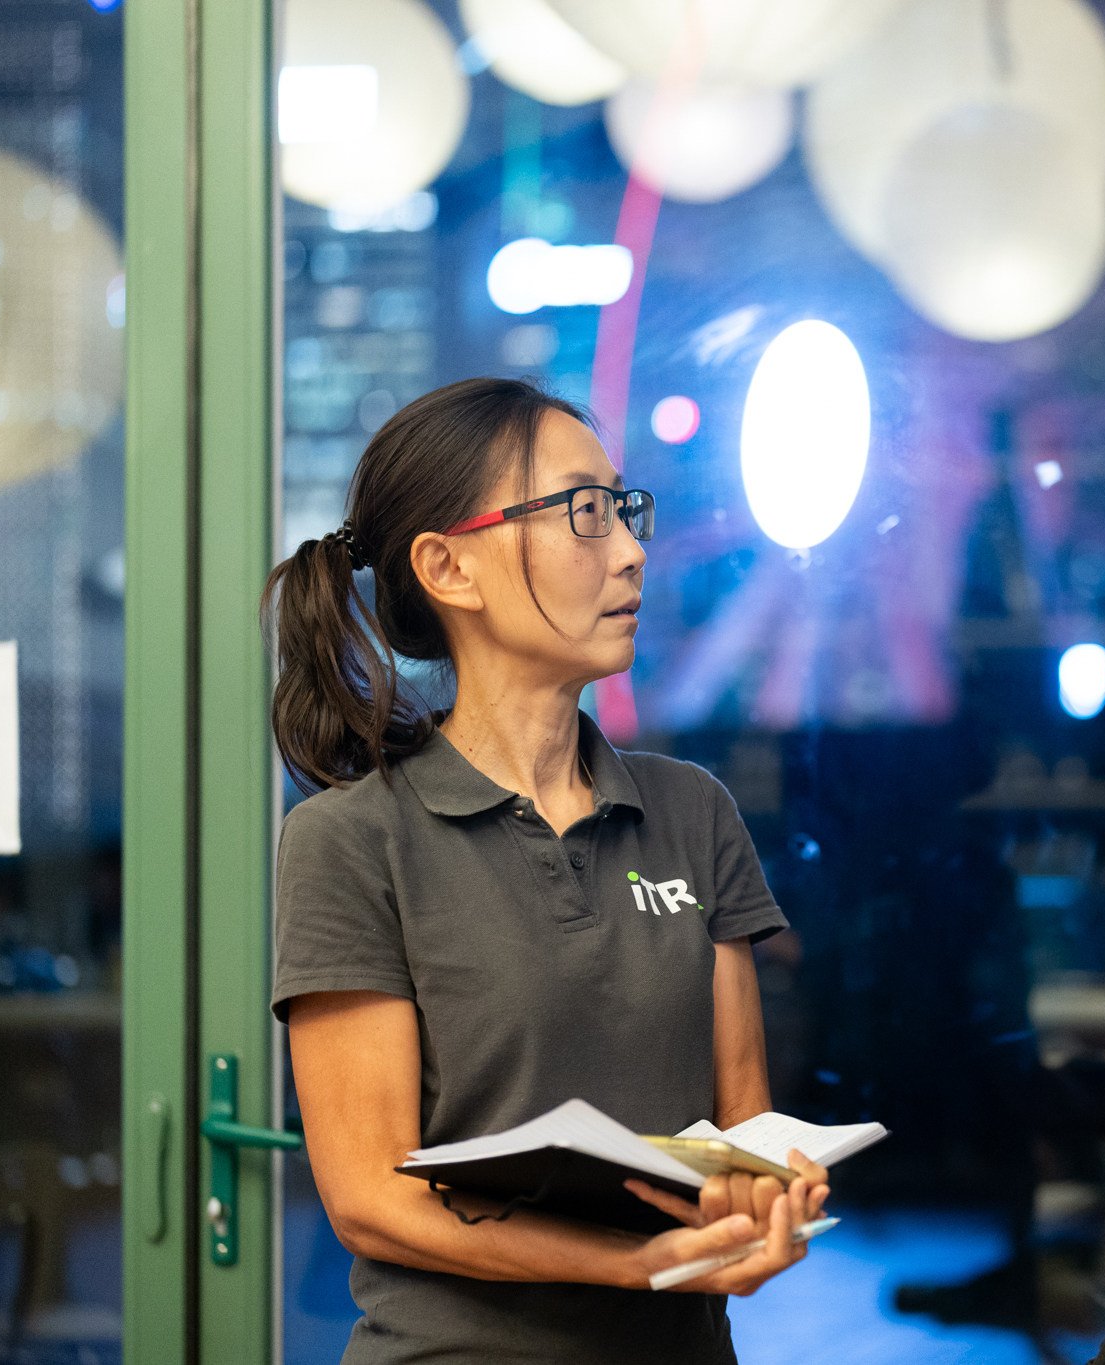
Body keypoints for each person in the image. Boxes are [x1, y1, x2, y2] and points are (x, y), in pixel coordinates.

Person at [264, 377, 828, 1364]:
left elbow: (743, 1125)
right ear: (449, 567)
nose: (628, 548)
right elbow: (369, 1202)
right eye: (581, 512)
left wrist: (771, 1190)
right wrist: (638, 1262)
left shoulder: (691, 811)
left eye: (621, 506)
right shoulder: (350, 842)